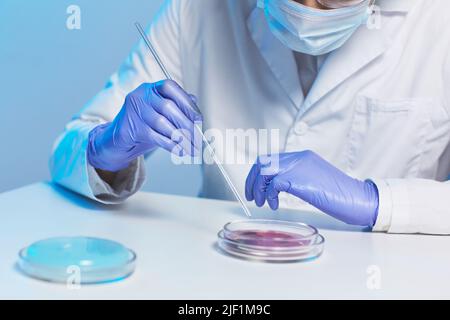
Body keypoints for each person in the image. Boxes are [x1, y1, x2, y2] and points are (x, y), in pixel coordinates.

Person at [50, 0, 450, 234]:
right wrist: (109, 146)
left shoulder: (438, 21)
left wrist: (377, 202)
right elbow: (66, 153)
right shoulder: (200, 9)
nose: (305, 9)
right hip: (225, 285)